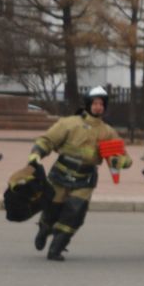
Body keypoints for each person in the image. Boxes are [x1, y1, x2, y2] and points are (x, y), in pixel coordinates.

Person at [27, 86, 132, 261]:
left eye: (101, 104)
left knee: (75, 213)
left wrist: (118, 161)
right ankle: (44, 229)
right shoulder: (69, 123)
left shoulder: (108, 132)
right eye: (95, 103)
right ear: (88, 104)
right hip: (60, 174)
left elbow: (125, 159)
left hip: (85, 178)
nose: (98, 107)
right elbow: (47, 140)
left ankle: (56, 249)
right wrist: (36, 154)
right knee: (52, 210)